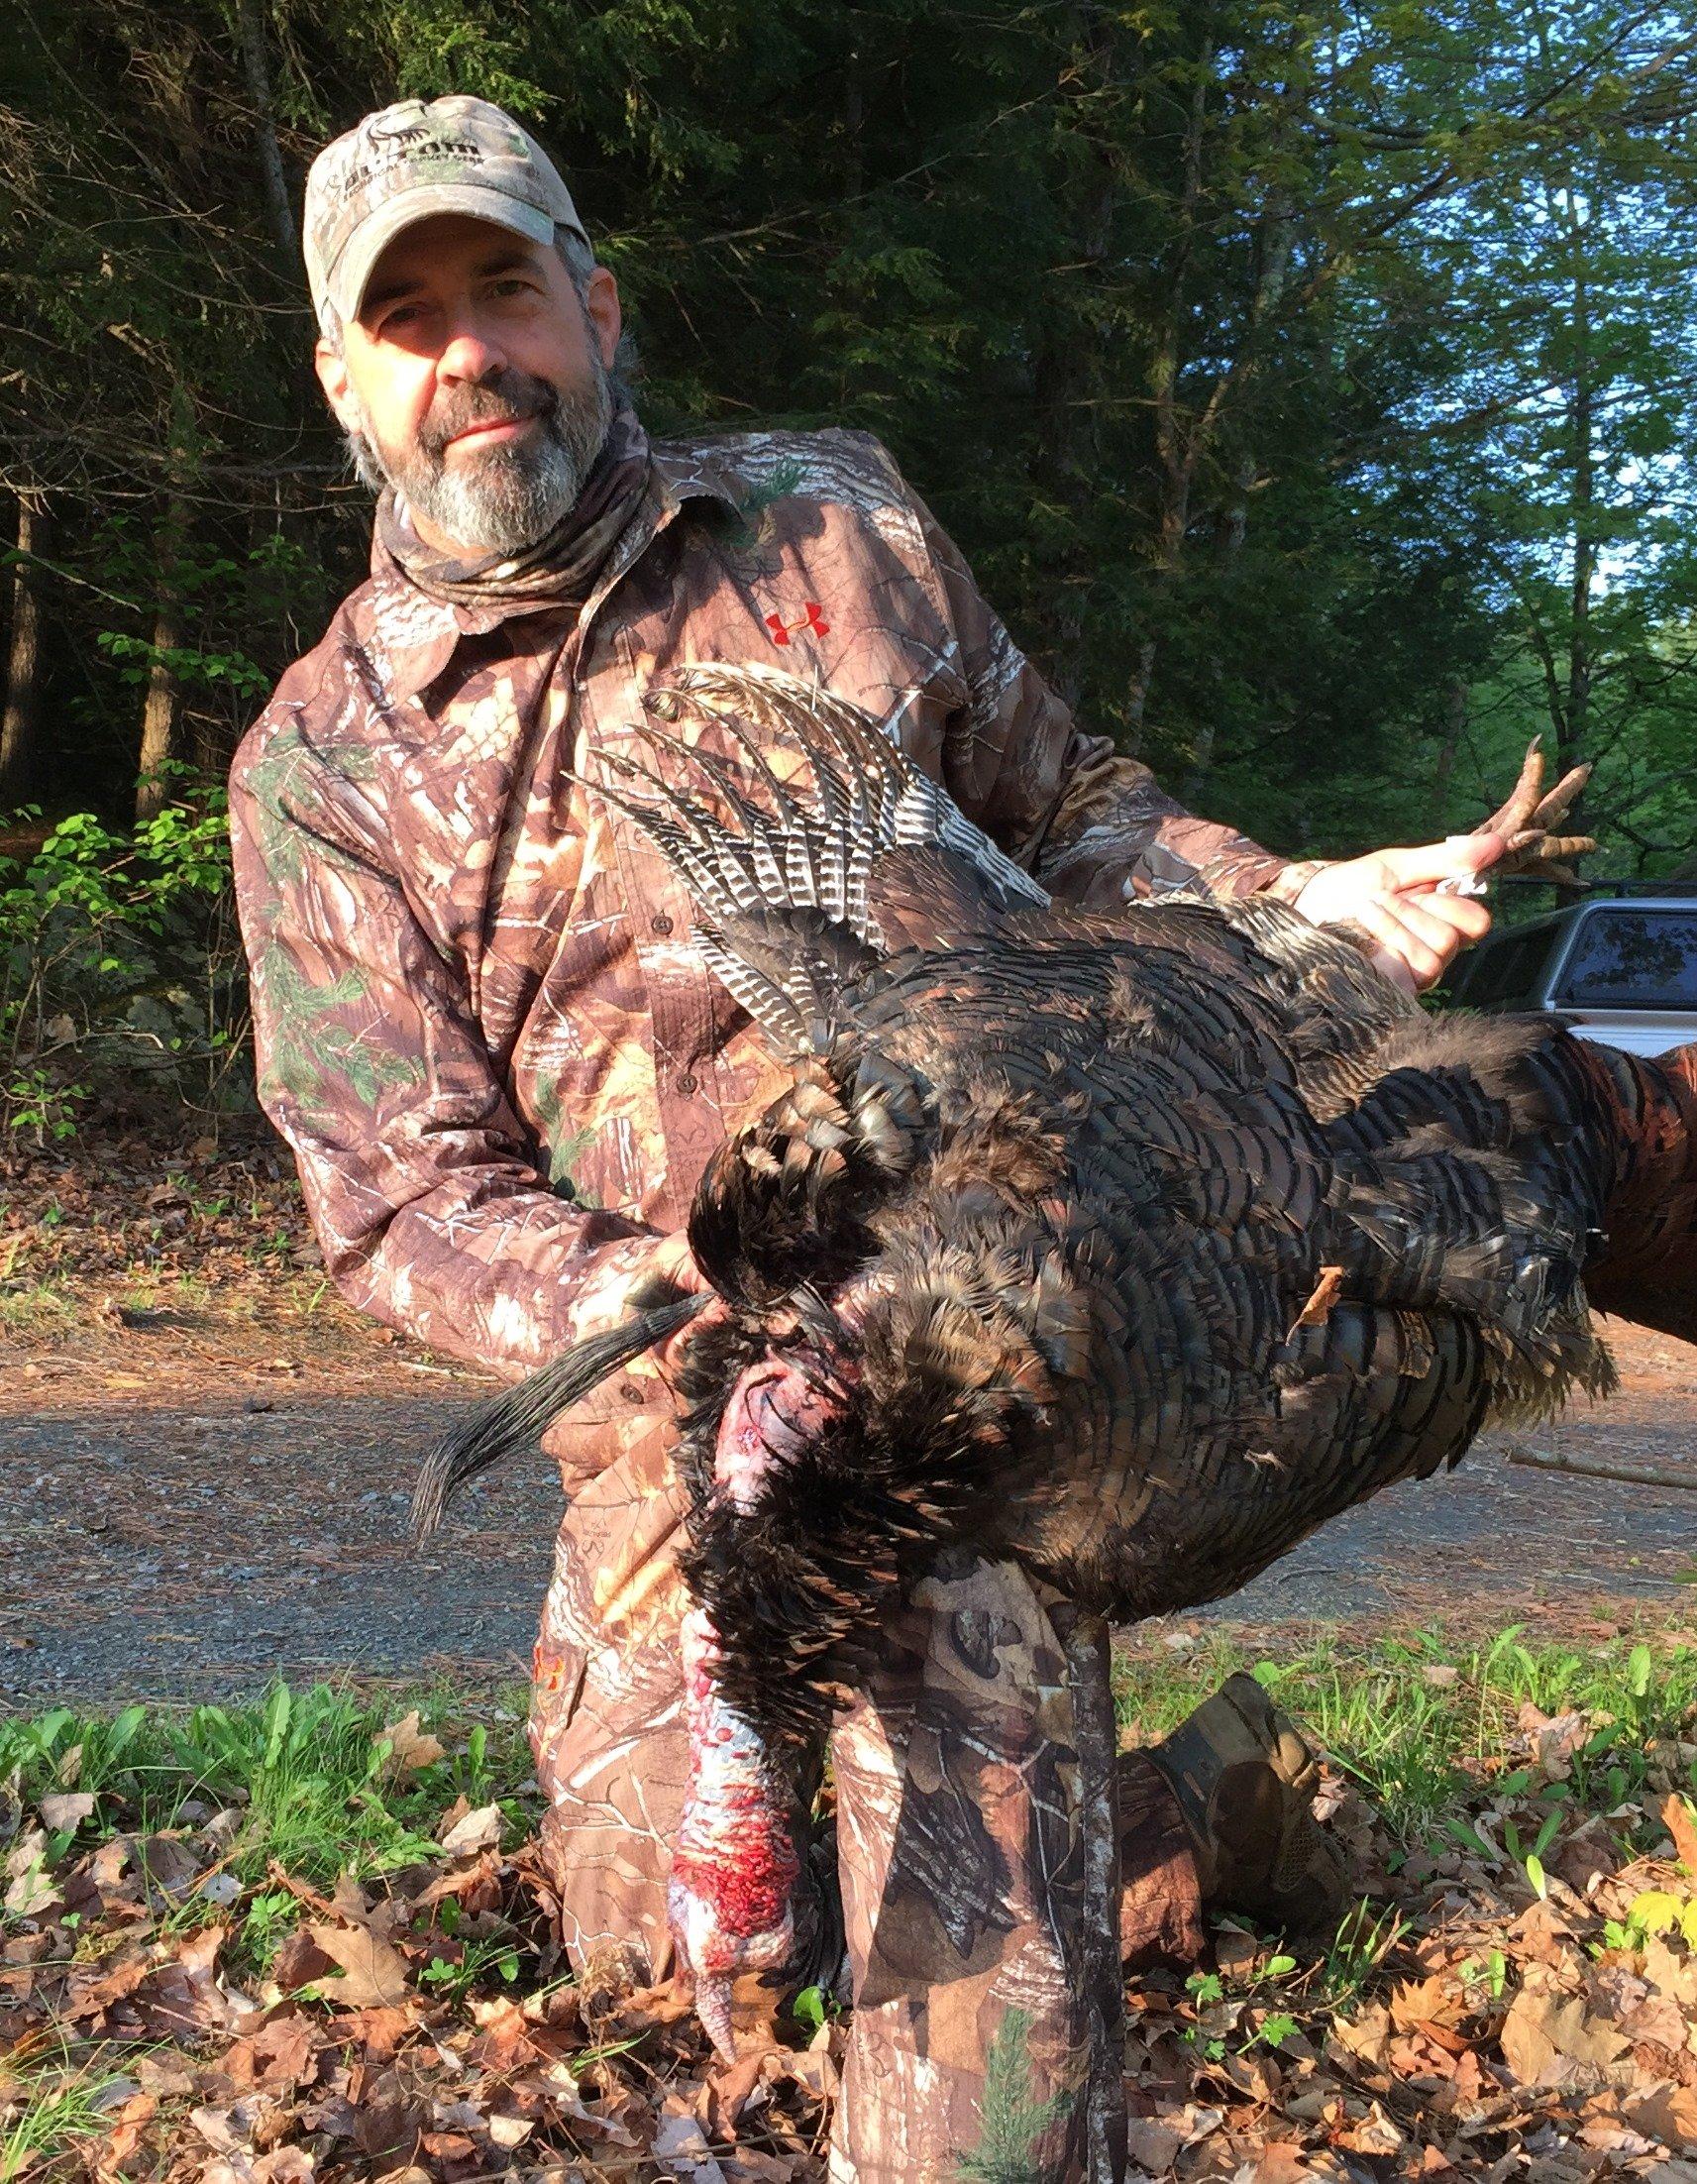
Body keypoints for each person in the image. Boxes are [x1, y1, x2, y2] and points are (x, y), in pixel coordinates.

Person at [228, 96, 1505, 2181]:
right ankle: (1200, 1807)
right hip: (666, 1406)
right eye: (407, 320)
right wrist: (629, 1291)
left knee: (966, 2056)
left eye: (504, 291)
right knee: (680, 1949)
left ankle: (1050, 1881)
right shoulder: (323, 766)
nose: (467, 353)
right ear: (343, 381)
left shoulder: (833, 526)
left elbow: (1070, 810)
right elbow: (393, 1191)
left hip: (966, 1361)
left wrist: (1291, 901)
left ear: (596, 309)